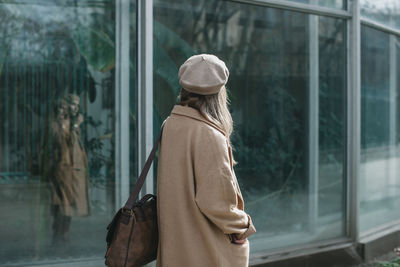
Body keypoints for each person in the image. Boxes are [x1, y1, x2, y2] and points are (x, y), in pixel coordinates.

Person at [156, 54, 256, 267]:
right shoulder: (210, 135)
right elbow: (217, 202)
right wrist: (243, 225)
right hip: (206, 248)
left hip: (177, 244)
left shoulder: (171, 125)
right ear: (220, 93)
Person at [49, 93, 90, 245]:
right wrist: (74, 126)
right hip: (63, 168)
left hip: (73, 168)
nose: (75, 108)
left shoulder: (70, 122)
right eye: (73, 104)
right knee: (62, 203)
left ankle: (63, 233)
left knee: (69, 203)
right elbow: (62, 144)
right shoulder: (59, 124)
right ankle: (58, 233)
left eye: (77, 105)